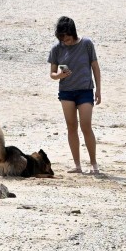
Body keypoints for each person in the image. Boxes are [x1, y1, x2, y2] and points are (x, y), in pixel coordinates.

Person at [48, 16, 102, 174]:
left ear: (73, 33)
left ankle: (93, 164)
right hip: (66, 92)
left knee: (86, 126)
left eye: (68, 38)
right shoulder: (57, 49)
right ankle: (77, 165)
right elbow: (52, 73)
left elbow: (95, 68)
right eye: (63, 39)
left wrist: (98, 90)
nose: (66, 42)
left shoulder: (86, 44)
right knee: (71, 127)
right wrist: (59, 76)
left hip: (85, 90)